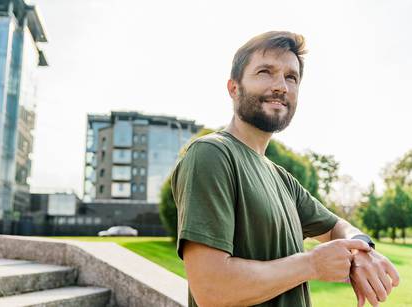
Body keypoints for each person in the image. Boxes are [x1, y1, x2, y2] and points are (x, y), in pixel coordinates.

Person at [171, 31, 400, 307]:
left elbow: (337, 227)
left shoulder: (283, 179)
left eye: (291, 77)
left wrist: (363, 249)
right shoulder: (212, 154)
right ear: (234, 88)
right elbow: (212, 289)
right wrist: (313, 264)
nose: (281, 86)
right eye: (266, 72)